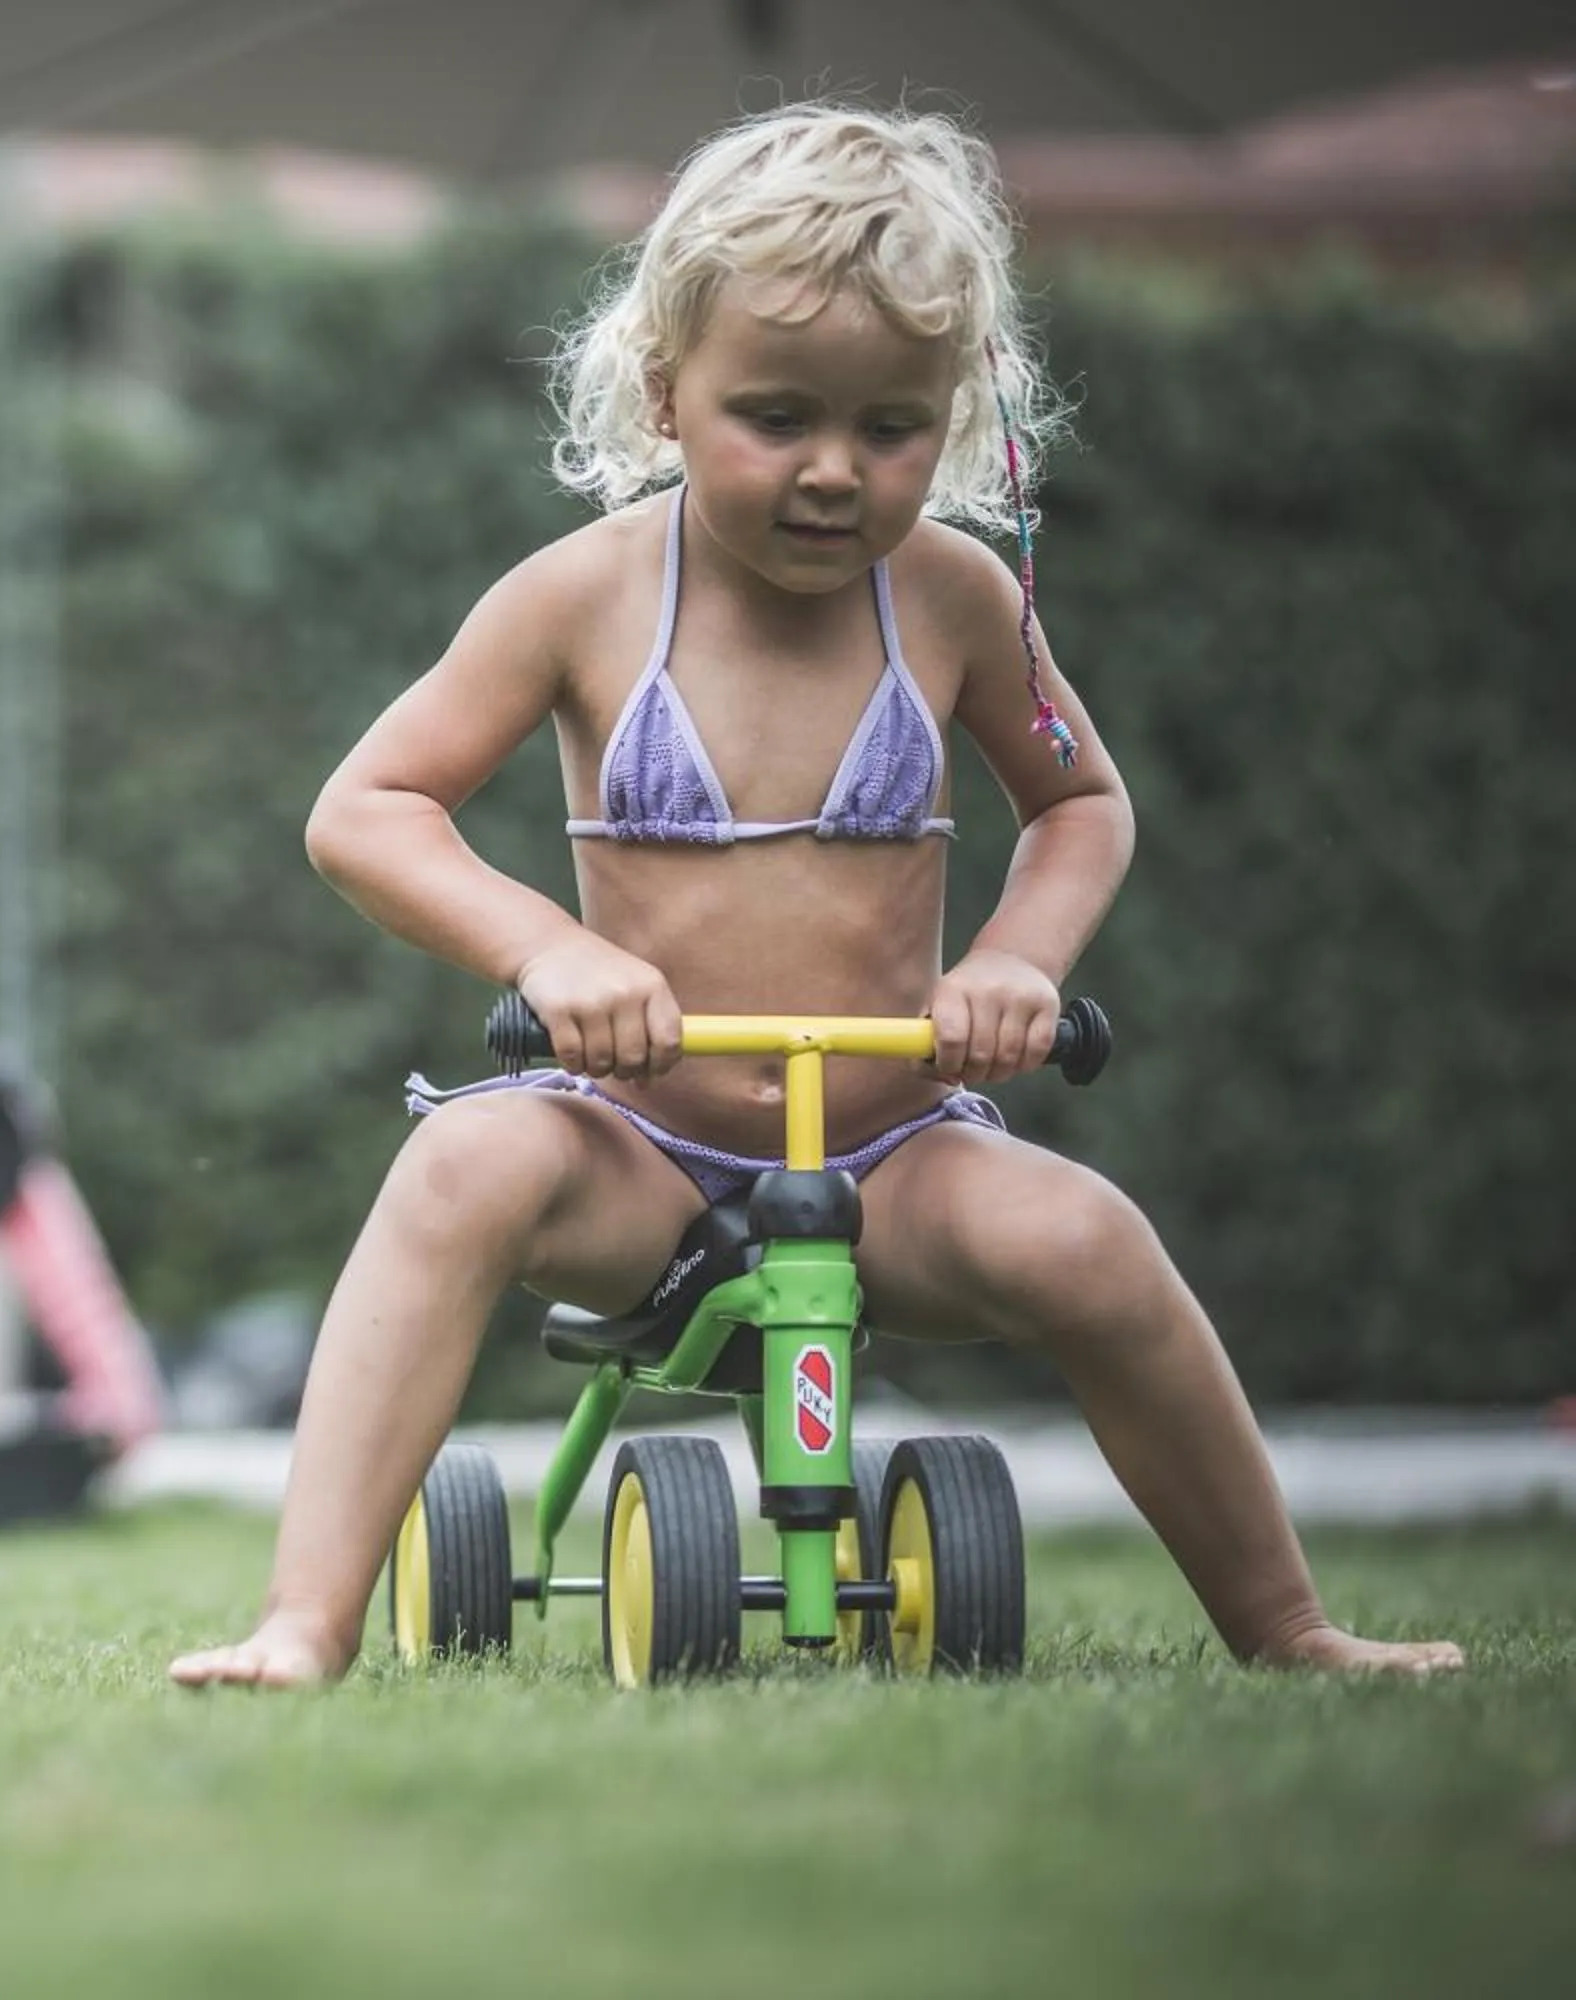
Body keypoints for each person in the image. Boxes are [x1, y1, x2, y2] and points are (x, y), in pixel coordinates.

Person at [169, 107, 1461, 1686]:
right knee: (458, 1171)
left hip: (887, 1152)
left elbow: (1080, 801)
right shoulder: (583, 595)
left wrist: (1015, 962)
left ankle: (1289, 1627)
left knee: (1092, 1242)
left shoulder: (960, 600)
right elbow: (366, 811)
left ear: (960, 415)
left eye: (892, 428)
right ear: (665, 391)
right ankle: (304, 1621)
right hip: (636, 1149)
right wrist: (550, 947)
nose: (835, 471)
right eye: (775, 417)